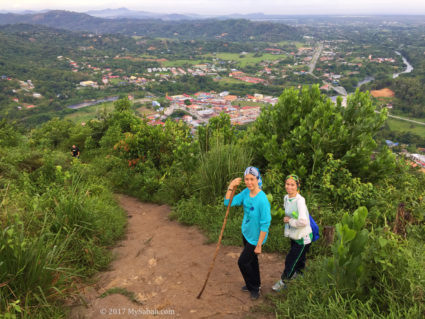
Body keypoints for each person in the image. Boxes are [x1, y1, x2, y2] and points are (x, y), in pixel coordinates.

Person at [225, 167, 271, 300]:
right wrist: (231, 186)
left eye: (252, 179)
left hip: (256, 238)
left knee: (242, 262)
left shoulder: (262, 200)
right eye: (246, 179)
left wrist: (259, 244)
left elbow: (265, 224)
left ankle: (254, 288)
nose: (249, 182)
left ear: (258, 179)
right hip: (246, 232)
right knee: (252, 261)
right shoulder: (246, 192)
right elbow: (228, 202)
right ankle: (256, 284)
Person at [272, 174, 312, 292]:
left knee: (291, 259)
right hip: (294, 235)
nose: (289, 187)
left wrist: (290, 221)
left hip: (303, 236)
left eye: (292, 185)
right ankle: (300, 275)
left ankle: (284, 281)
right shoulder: (286, 198)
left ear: (297, 186)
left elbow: (304, 221)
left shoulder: (300, 201)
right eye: (287, 184)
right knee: (299, 258)